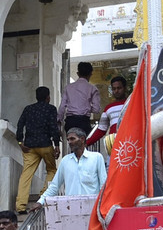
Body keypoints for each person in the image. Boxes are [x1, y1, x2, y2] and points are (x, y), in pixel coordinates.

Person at [14, 86, 61, 215]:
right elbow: (53, 127)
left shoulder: (28, 109)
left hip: (29, 147)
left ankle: (20, 206)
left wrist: (20, 142)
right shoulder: (51, 109)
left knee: (26, 174)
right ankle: (43, 195)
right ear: (48, 98)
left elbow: (20, 125)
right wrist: (57, 145)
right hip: (45, 145)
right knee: (52, 170)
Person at [34, 127, 106, 208]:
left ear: (82, 139)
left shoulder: (96, 158)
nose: (69, 142)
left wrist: (102, 206)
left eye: (72, 139)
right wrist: (40, 202)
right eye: (68, 140)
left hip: (92, 207)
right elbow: (54, 186)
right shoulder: (65, 161)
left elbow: (103, 185)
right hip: (71, 208)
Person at [87, 76, 129, 155]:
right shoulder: (108, 108)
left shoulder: (131, 104)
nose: (116, 91)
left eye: (119, 88)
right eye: (114, 89)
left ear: (125, 88)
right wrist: (87, 143)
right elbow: (101, 130)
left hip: (130, 143)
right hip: (114, 146)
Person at [58, 60, 101, 135]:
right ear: (90, 74)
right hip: (84, 122)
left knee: (71, 140)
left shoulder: (68, 87)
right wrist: (87, 107)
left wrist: (59, 121)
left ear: (78, 73)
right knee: (83, 141)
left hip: (70, 122)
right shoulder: (92, 88)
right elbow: (96, 109)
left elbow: (62, 107)